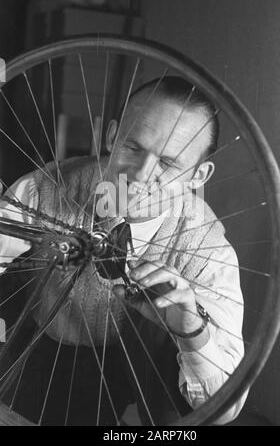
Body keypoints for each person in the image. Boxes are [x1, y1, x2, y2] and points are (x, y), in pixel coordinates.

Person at [0, 76, 246, 425]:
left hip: (148, 375)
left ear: (199, 175)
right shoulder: (48, 187)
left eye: (169, 163)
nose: (141, 175)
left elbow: (226, 407)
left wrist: (192, 329)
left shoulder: (207, 249)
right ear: (112, 136)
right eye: (133, 147)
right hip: (50, 347)